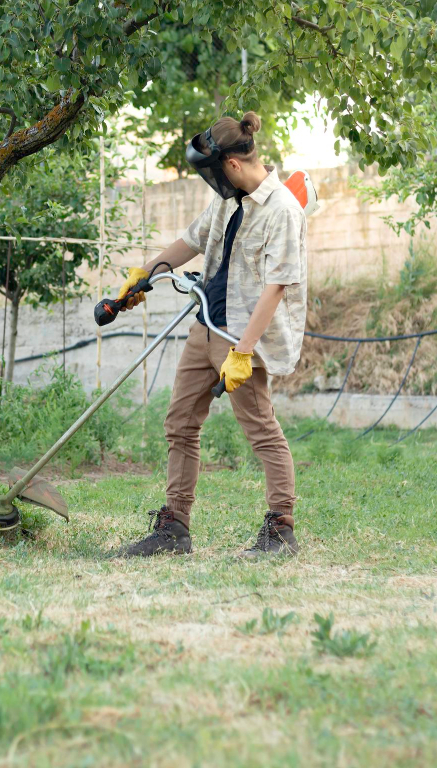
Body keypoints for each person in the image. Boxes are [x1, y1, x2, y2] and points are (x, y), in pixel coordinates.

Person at [118, 112, 307, 559]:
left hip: (242, 335)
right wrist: (144, 275)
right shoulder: (228, 201)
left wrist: (243, 353)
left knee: (260, 428)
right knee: (180, 423)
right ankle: (174, 529)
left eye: (215, 171)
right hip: (205, 322)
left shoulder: (283, 210)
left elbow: (276, 287)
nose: (213, 182)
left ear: (235, 165)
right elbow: (190, 241)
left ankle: (281, 529)